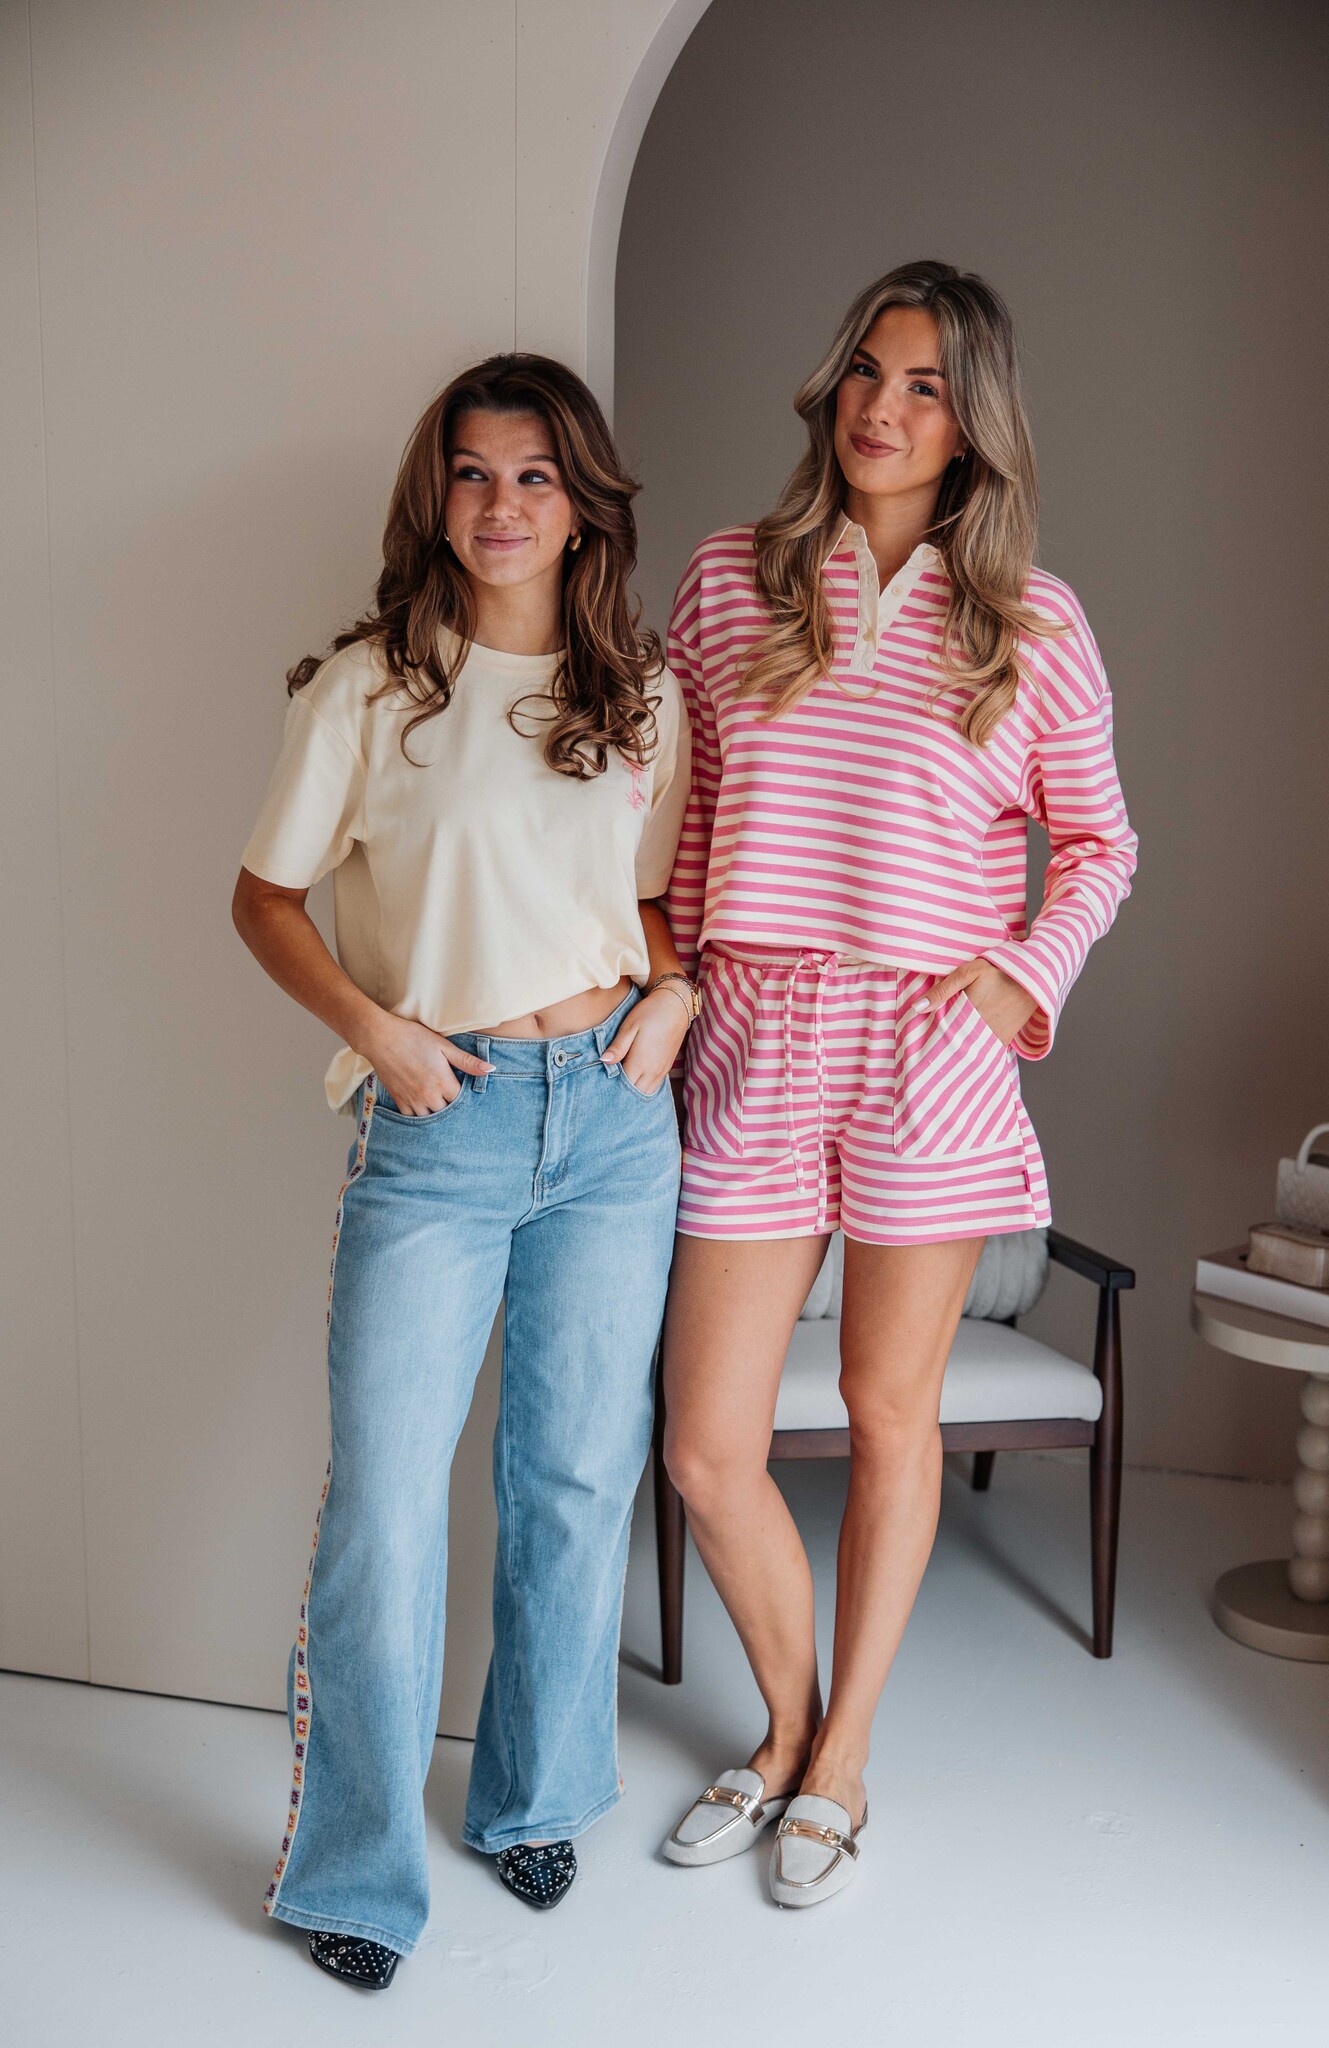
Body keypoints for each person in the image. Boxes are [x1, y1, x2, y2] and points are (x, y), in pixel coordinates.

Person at [658, 261, 1137, 1907]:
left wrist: (1019, 973)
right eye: (867, 369)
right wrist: (674, 986)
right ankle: (786, 1728)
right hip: (753, 1028)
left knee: (885, 1413)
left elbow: (1099, 843)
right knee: (705, 1444)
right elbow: (683, 823)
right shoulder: (728, 581)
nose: (881, 405)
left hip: (925, 1048)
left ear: (970, 421)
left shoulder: (1030, 622)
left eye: (925, 384)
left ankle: (841, 1755)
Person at [233, 352, 695, 1988]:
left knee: (572, 1480)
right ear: (436, 498)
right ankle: (355, 1879)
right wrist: (379, 1030)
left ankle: (535, 1798)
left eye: (534, 476)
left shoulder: (640, 693)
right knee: (382, 1506)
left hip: (615, 1124)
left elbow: (649, 898)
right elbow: (264, 898)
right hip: (443, 1123)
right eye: (473, 473)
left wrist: (675, 992)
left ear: (582, 508)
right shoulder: (371, 689)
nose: (501, 504)